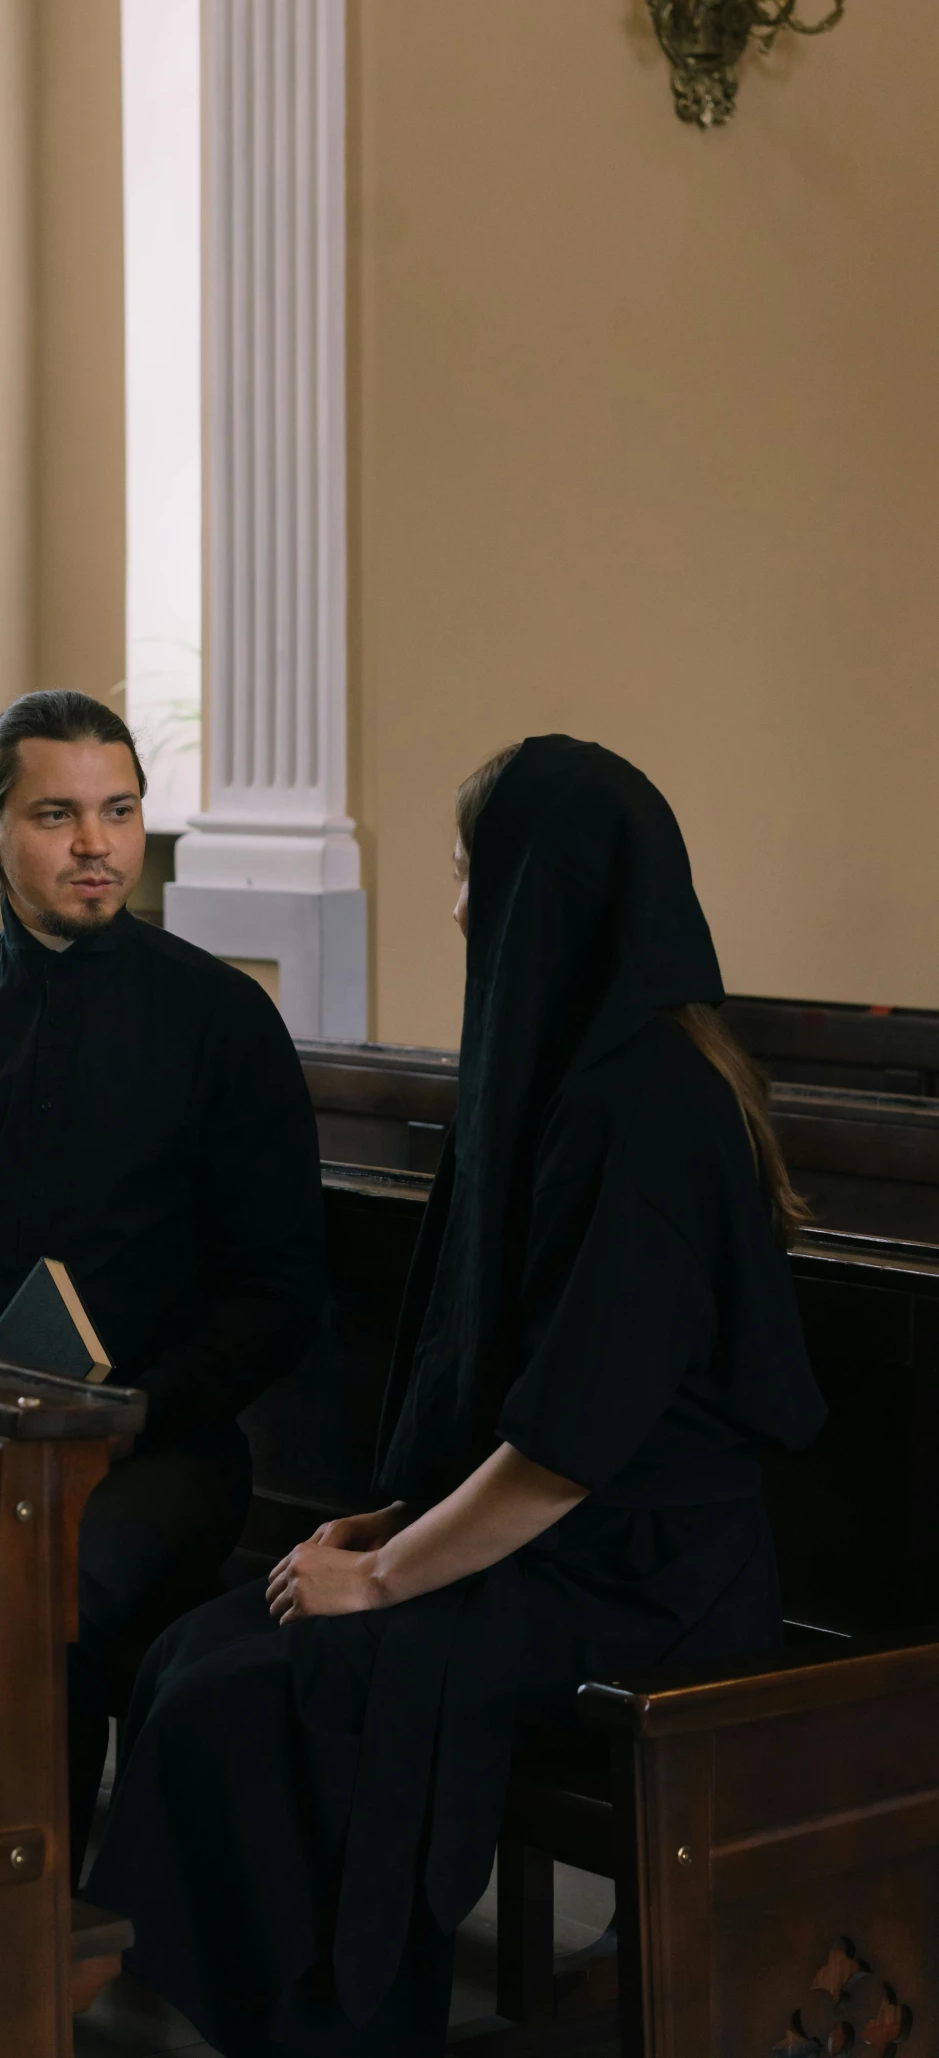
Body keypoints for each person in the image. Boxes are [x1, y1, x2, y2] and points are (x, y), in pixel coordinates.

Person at [88, 733, 826, 2057]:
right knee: (195, 1651)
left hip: (644, 1583)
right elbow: (523, 1410)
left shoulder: (649, 1105)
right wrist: (376, 1528)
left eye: (462, 872)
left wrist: (380, 1578)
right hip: (556, 1547)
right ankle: (222, 2016)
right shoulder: (567, 1077)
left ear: (539, 885)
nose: (453, 904)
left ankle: (325, 2032)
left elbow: (568, 1445)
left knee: (254, 1698)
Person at [0, 687, 327, 1873]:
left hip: (159, 1450)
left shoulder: (221, 1020)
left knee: (39, 1592)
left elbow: (279, 1288)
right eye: (58, 813)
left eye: (120, 810)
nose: (96, 843)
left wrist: (137, 1411)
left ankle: (29, 1920)